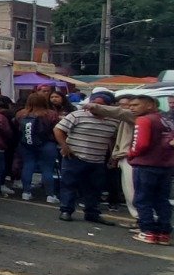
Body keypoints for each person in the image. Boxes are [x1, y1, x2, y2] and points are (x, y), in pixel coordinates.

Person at [82, 91, 174, 243]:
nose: (130, 108)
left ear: (150, 105)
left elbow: (141, 143)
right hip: (163, 164)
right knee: (160, 199)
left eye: (135, 105)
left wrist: (131, 154)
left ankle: (147, 229)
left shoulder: (144, 119)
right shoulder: (165, 119)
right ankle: (162, 231)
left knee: (140, 197)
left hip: (144, 163)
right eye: (128, 105)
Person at [54, 89, 121, 224]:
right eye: (93, 103)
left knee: (94, 188)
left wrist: (112, 155)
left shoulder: (113, 121)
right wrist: (65, 146)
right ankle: (66, 210)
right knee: (69, 185)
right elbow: (58, 129)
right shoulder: (77, 115)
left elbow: (112, 139)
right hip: (74, 157)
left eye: (99, 104)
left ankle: (92, 213)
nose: (93, 107)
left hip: (97, 159)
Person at [11, 93, 61, 202]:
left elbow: (17, 127)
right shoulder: (51, 114)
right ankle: (50, 195)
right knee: (47, 169)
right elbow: (57, 128)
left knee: (28, 166)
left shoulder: (21, 114)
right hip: (47, 143)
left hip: (26, 143)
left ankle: (26, 192)